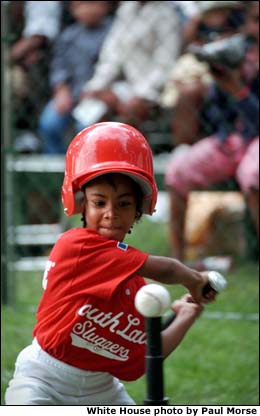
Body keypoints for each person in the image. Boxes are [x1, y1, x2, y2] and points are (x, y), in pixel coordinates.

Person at [5, 122, 218, 405]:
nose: (111, 213)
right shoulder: (76, 247)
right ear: (81, 203)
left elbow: (147, 356)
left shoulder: (134, 289)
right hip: (43, 378)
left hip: (101, 388)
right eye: (99, 202)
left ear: (138, 210)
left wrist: (188, 314)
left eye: (123, 204)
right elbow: (166, 269)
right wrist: (195, 280)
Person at [164, 1, 259, 262]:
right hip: (230, 138)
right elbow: (218, 112)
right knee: (177, 173)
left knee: (254, 175)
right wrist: (220, 76)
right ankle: (179, 258)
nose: (255, 28)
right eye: (254, 21)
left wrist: (239, 91)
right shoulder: (240, 51)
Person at [75, 1, 182, 131]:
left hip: (155, 89)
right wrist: (96, 86)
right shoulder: (126, 10)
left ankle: (131, 149)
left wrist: (140, 95)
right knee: (93, 108)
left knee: (132, 110)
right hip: (125, 86)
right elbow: (111, 56)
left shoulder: (166, 14)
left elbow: (165, 65)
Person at [38, 1, 114, 154]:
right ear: (73, 9)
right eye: (81, 5)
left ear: (105, 6)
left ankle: (87, 168)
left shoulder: (114, 33)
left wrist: (98, 91)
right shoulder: (68, 35)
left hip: (99, 94)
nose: (87, 9)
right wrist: (61, 90)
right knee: (49, 124)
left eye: (93, 4)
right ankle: (59, 166)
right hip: (72, 92)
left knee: (86, 128)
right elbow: (59, 66)